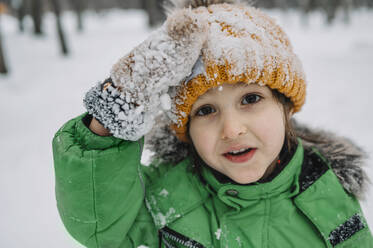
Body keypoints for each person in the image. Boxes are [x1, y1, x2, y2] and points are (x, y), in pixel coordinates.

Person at [52, 0, 373, 247]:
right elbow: (99, 225)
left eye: (250, 99)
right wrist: (118, 104)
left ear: (285, 107)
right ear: (186, 130)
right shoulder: (165, 197)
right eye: (205, 110)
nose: (232, 129)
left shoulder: (328, 195)